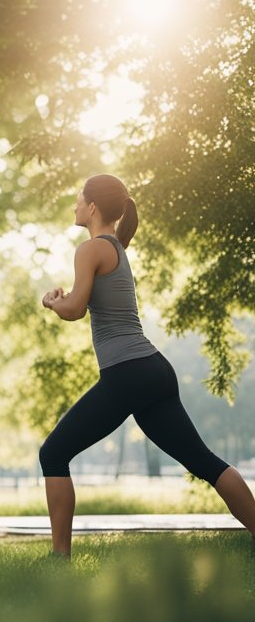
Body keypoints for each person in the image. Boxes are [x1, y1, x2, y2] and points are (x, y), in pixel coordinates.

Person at [40, 174, 255, 556]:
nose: (73, 207)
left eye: (77, 200)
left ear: (91, 207)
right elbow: (82, 299)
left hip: (128, 373)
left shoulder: (89, 249)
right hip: (152, 370)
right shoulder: (116, 248)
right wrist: (63, 297)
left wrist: (52, 302)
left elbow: (73, 310)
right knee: (204, 461)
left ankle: (59, 558)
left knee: (53, 454)